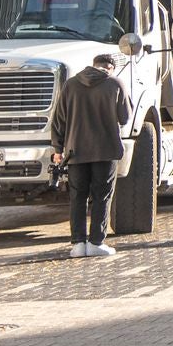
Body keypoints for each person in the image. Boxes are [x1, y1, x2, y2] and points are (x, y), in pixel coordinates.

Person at [51, 52, 129, 257]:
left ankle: (78, 244)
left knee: (77, 197)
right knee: (102, 196)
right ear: (110, 67)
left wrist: (58, 149)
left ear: (93, 65)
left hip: (75, 151)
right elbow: (125, 117)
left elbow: (59, 120)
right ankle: (96, 242)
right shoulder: (115, 84)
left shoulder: (71, 85)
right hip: (106, 150)